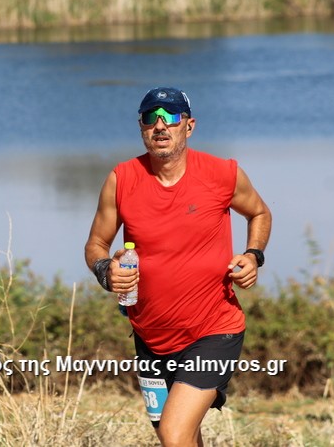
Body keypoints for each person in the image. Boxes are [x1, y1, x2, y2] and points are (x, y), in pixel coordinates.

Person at [84, 87, 272, 447]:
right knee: (179, 436)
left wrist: (253, 255)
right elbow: (95, 244)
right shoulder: (121, 179)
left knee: (174, 433)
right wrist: (105, 270)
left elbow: (260, 212)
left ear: (189, 125)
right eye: (150, 118)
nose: (160, 125)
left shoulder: (222, 173)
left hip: (213, 331)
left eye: (170, 117)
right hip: (150, 337)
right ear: (141, 127)